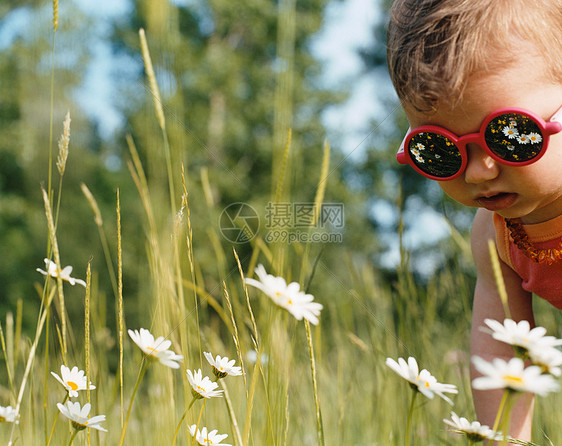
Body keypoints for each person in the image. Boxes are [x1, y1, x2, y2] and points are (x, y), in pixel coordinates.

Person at [386, 0, 562, 441]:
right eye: (438, 149)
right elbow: (501, 352)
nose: (478, 170)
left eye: (511, 134)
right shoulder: (494, 234)